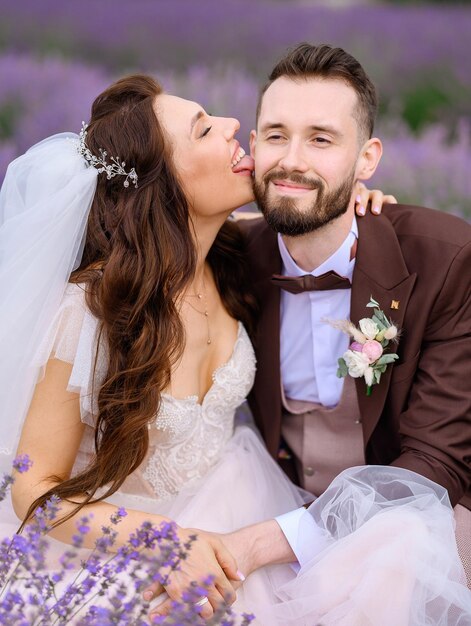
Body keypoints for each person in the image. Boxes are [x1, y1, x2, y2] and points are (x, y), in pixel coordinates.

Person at [0, 73, 470, 625]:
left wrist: (349, 198)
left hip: (245, 508)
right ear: (167, 185)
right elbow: (33, 488)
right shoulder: (95, 308)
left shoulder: (229, 257)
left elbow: (317, 221)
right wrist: (175, 542)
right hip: (123, 539)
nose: (231, 127)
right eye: (203, 130)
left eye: (321, 138)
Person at [224, 41, 471, 598]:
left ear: (367, 160)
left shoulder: (447, 259)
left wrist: (265, 542)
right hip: (278, 496)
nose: (291, 160)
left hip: (419, 515)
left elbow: (437, 463)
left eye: (321, 139)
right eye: (276, 134)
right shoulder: (232, 255)